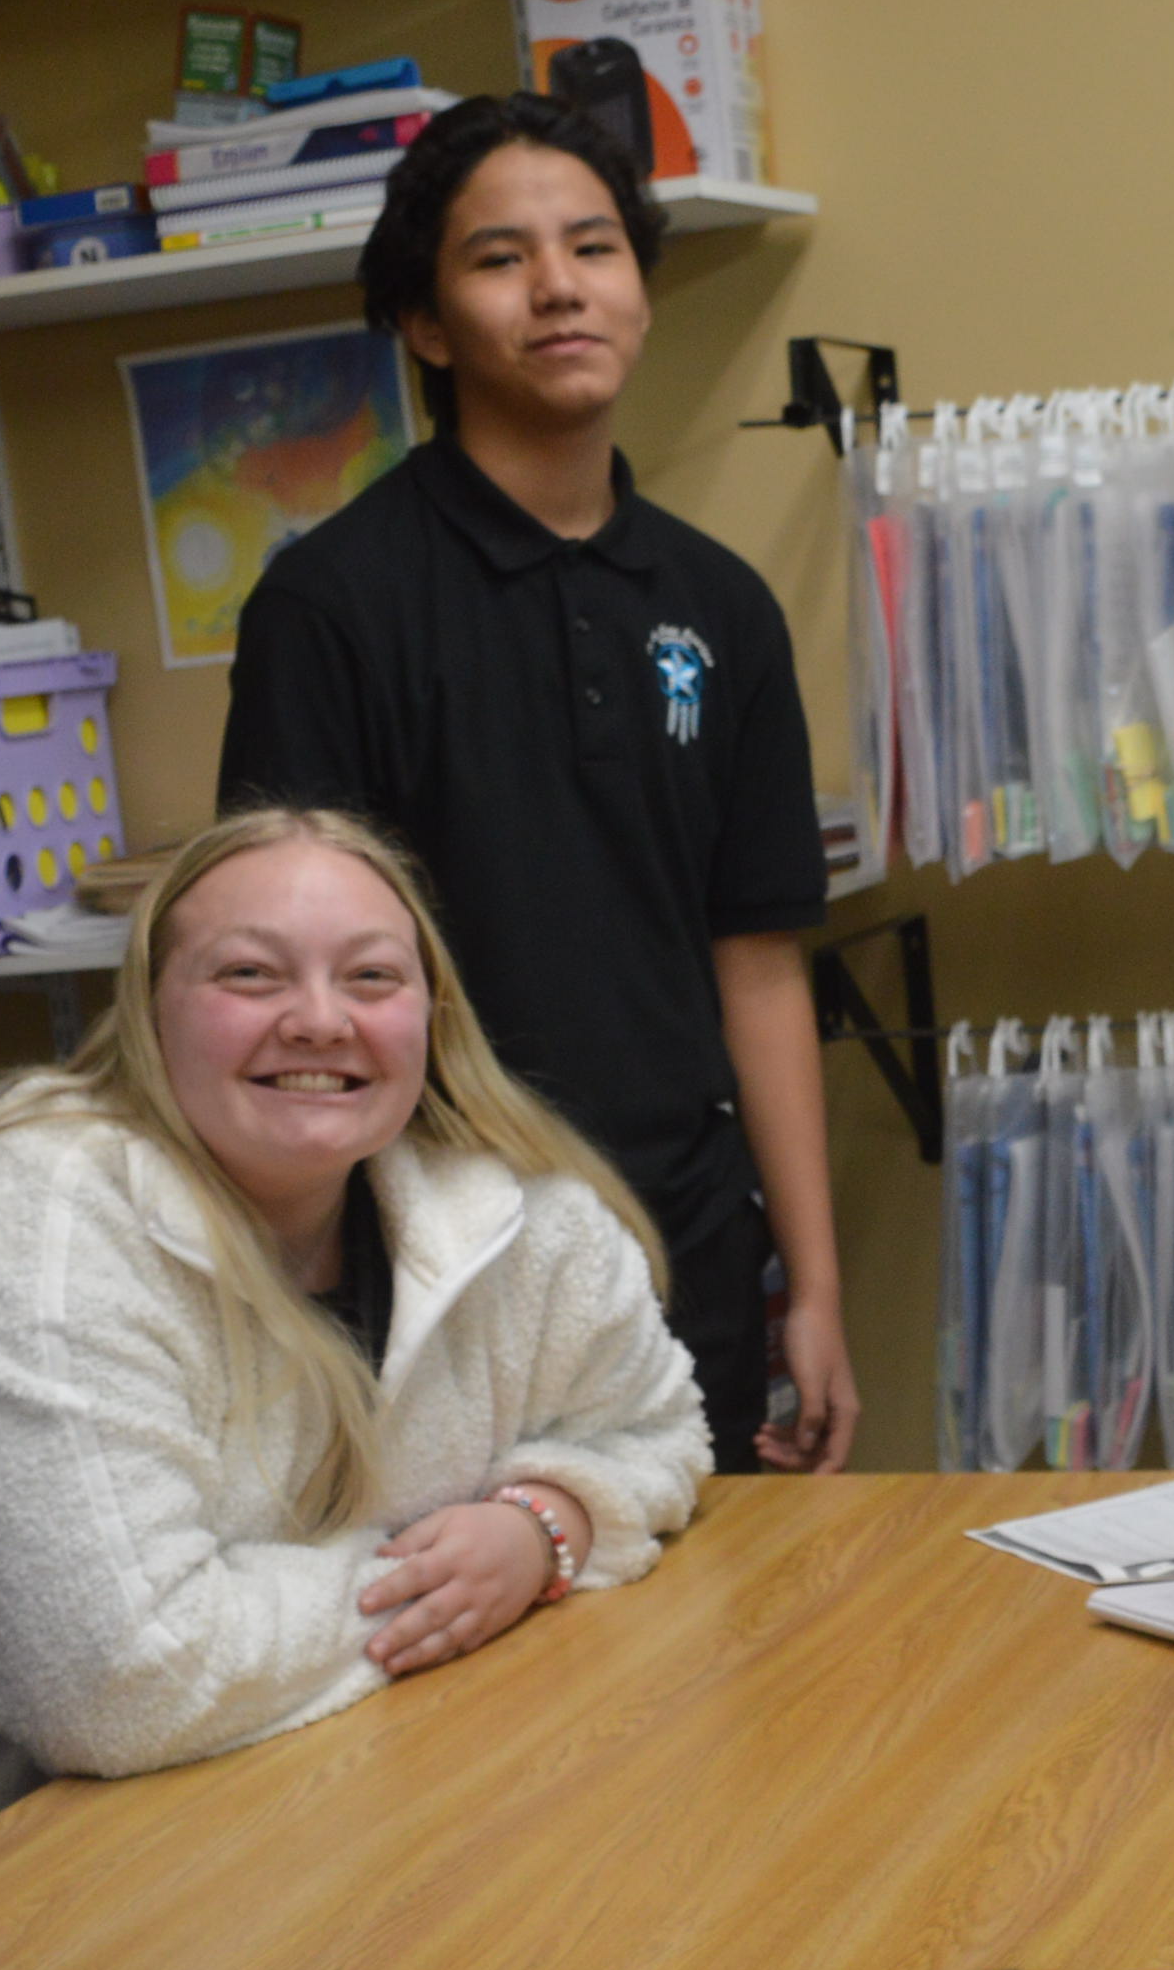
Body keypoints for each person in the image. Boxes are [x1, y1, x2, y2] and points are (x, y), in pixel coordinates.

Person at [0, 806, 710, 1799]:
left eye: (372, 976)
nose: (320, 1020)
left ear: (433, 1014)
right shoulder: (36, 1218)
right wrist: (441, 1588)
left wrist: (542, 1527)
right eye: (250, 974)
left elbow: (659, 1433)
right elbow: (116, 1679)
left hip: (302, 1778)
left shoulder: (514, 1215)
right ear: (149, 1013)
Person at [214, 91, 854, 1474]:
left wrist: (813, 1284)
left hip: (685, 1242)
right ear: (427, 324)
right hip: (429, 1254)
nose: (560, 286)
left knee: (712, 1590)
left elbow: (757, 962)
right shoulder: (331, 605)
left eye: (594, 246)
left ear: (639, 289)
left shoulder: (721, 608)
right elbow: (276, 988)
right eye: (501, 257)